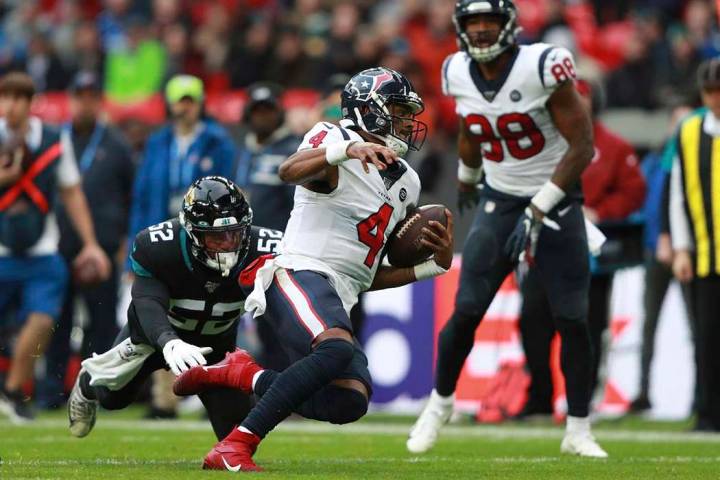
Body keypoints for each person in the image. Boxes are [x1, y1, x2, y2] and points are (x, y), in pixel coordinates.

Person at [172, 67, 454, 472]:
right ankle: (236, 445)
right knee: (337, 348)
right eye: (397, 109)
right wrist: (345, 151)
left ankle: (244, 375)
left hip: (337, 290)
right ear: (369, 110)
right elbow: (289, 171)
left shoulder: (406, 180)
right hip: (296, 272)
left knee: (349, 400)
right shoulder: (335, 138)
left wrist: (432, 268)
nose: (407, 121)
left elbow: (363, 274)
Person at [407, 0, 607, 457]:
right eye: (471, 22)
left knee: (573, 318)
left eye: (488, 22)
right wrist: (467, 178)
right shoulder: (455, 70)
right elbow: (471, 127)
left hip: (554, 199)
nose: (478, 30)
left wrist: (541, 205)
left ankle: (578, 428)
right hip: (500, 198)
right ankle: (439, 405)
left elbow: (583, 145)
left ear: (509, 27)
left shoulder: (542, 66)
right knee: (467, 310)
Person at [67, 176, 282, 440]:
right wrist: (169, 342)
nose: (227, 244)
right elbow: (147, 302)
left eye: (235, 234)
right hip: (152, 339)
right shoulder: (158, 246)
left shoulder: (269, 248)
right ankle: (88, 382)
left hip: (215, 346)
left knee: (237, 435)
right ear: (193, 232)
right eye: (216, 238)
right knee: (112, 399)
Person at [516, 78, 646, 417]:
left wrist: (602, 211)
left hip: (590, 253)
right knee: (532, 320)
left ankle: (581, 402)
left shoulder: (614, 147)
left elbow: (634, 191)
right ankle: (539, 397)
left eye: (579, 97)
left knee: (586, 325)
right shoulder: (542, 144)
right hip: (544, 246)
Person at [0, 72, 110, 422]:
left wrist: (91, 243)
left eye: (19, 98)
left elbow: (72, 192)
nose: (12, 106)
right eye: (6, 97)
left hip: (42, 250)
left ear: (31, 103)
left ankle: (15, 390)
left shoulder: (52, 140)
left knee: (44, 320)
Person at [127, 73, 236, 419]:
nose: (184, 107)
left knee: (219, 312)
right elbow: (143, 192)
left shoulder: (218, 141)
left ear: (200, 103)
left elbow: (230, 189)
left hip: (210, 238)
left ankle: (217, 387)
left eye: (190, 100)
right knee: (165, 314)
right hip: (167, 239)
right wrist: (136, 239)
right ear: (170, 104)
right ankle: (165, 399)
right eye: (180, 100)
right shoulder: (159, 142)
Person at [36, 71, 135, 410]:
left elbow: (129, 196)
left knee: (101, 322)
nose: (86, 102)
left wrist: (124, 243)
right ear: (71, 99)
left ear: (99, 101)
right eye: (80, 95)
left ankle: (97, 391)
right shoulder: (54, 140)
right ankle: (50, 392)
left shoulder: (117, 145)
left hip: (103, 248)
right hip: (56, 245)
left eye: (92, 95)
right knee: (55, 320)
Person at [669, 58, 720, 432]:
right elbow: (677, 194)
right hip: (704, 255)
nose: (715, 99)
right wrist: (682, 248)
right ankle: (707, 414)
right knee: (706, 339)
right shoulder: (689, 131)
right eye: (710, 92)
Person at [234, 82, 300, 232]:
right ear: (247, 114)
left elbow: (298, 204)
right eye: (257, 110)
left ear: (280, 113)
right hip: (243, 241)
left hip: (279, 241)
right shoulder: (241, 150)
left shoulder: (293, 150)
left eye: (268, 110)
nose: (262, 116)